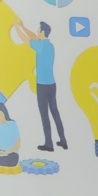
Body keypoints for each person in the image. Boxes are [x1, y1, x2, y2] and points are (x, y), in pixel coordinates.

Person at [12, 18, 67, 152]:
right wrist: (23, 26)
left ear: (42, 32)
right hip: (52, 84)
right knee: (55, 112)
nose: (37, 31)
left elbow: (25, 39)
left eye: (39, 30)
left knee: (44, 115)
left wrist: (16, 27)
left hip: (42, 85)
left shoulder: (40, 46)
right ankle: (63, 140)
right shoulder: (49, 45)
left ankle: (49, 143)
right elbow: (33, 37)